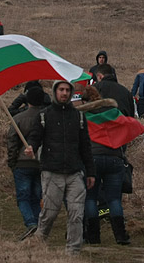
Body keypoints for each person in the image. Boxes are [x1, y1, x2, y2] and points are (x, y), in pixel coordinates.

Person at [24, 80, 96, 254]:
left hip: (75, 173)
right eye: (61, 90)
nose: (64, 93)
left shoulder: (78, 116)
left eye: (67, 90)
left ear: (71, 93)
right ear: (55, 92)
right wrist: (31, 147)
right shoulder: (44, 115)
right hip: (51, 172)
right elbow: (35, 136)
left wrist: (90, 172)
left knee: (76, 214)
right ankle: (38, 244)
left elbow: (85, 146)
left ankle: (72, 252)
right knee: (49, 214)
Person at [78, 86, 131, 246]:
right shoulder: (113, 113)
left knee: (90, 198)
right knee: (114, 199)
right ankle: (121, 236)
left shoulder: (83, 116)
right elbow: (126, 128)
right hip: (114, 158)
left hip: (92, 159)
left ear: (85, 101)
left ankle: (94, 237)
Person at [6, 83, 49, 239]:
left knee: (23, 197)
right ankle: (38, 225)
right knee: (37, 196)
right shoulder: (48, 117)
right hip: (42, 163)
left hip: (22, 163)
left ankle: (31, 223)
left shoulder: (19, 118)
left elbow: (11, 141)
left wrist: (12, 161)